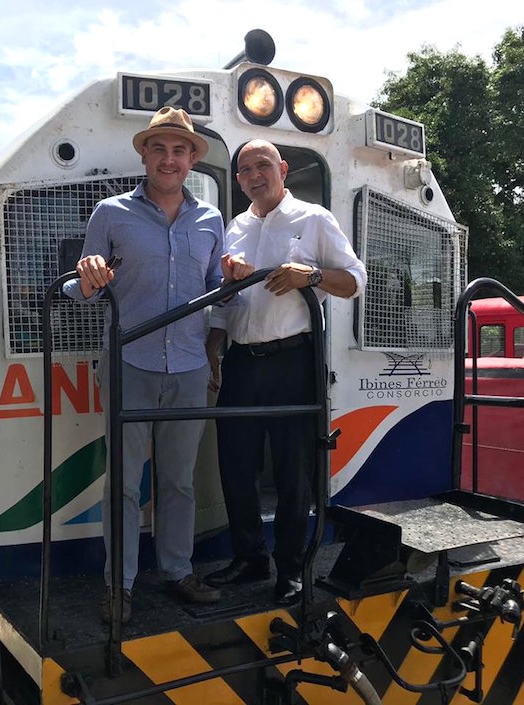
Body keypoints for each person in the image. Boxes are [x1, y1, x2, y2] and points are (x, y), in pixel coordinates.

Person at [64, 107, 225, 622]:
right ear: (145, 154)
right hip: (129, 363)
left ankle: (178, 572)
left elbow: (219, 296)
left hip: (189, 367)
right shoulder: (110, 213)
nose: (170, 158)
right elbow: (81, 290)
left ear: (192, 159)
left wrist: (216, 348)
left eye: (180, 150)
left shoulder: (210, 220)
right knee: (125, 481)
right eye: (160, 148)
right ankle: (120, 586)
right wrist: (85, 277)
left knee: (179, 480)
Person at [205, 140, 367, 605]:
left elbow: (356, 281)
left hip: (292, 359)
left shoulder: (314, 219)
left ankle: (291, 569)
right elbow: (227, 301)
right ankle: (249, 557)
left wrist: (310, 276)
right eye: (245, 170)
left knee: (294, 470)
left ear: (283, 169)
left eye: (263, 165)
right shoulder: (235, 227)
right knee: (235, 466)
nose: (254, 175)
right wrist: (215, 347)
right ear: (238, 181)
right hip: (240, 362)